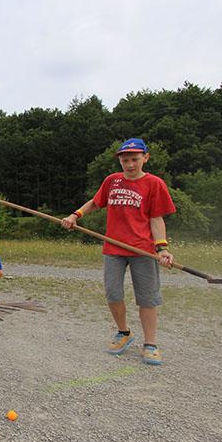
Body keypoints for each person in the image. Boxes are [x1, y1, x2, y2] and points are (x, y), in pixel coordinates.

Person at [61, 138, 176, 365]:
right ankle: (124, 333)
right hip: (113, 248)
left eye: (134, 159)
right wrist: (75, 216)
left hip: (143, 249)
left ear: (145, 157)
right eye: (125, 160)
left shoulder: (154, 184)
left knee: (147, 298)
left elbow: (156, 218)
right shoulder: (112, 181)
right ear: (120, 161)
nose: (130, 164)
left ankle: (150, 344)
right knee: (113, 294)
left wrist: (162, 248)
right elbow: (95, 202)